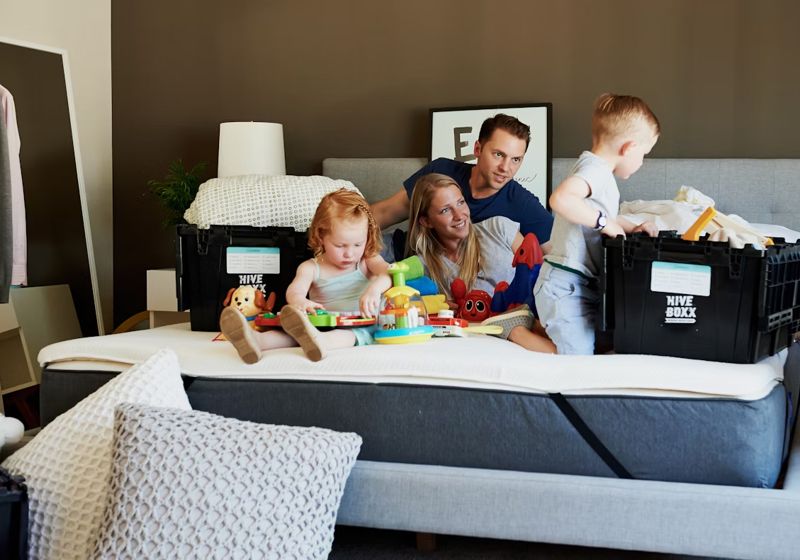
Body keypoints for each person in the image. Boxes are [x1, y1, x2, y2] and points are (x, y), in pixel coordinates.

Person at [534, 93, 660, 355]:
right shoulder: (595, 171)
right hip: (564, 284)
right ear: (628, 148)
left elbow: (600, 216)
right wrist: (604, 224)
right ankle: (517, 331)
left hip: (580, 284)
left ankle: (539, 325)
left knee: (600, 348)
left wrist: (628, 226)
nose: (642, 163)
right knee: (576, 360)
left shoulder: (597, 171)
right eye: (644, 155)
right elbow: (560, 199)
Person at [220, 189, 391, 363]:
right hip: (319, 324)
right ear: (321, 235)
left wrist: (374, 290)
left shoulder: (367, 260)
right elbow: (294, 292)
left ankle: (321, 342)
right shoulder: (311, 267)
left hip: (361, 325)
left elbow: (388, 273)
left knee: (347, 335)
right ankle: (255, 340)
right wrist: (301, 302)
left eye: (357, 244)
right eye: (340, 245)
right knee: (293, 332)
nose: (350, 253)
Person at [406, 172, 555, 353]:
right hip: (480, 340)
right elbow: (395, 291)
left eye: (461, 202)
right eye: (445, 210)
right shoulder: (424, 266)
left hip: (530, 319)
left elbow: (535, 274)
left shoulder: (498, 228)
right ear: (426, 221)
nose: (459, 215)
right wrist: (436, 305)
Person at [370, 113, 554, 245]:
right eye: (498, 154)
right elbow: (386, 212)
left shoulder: (522, 203)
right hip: (403, 259)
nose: (505, 168)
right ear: (477, 149)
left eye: (516, 159)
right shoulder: (441, 171)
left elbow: (558, 254)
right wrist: (345, 235)